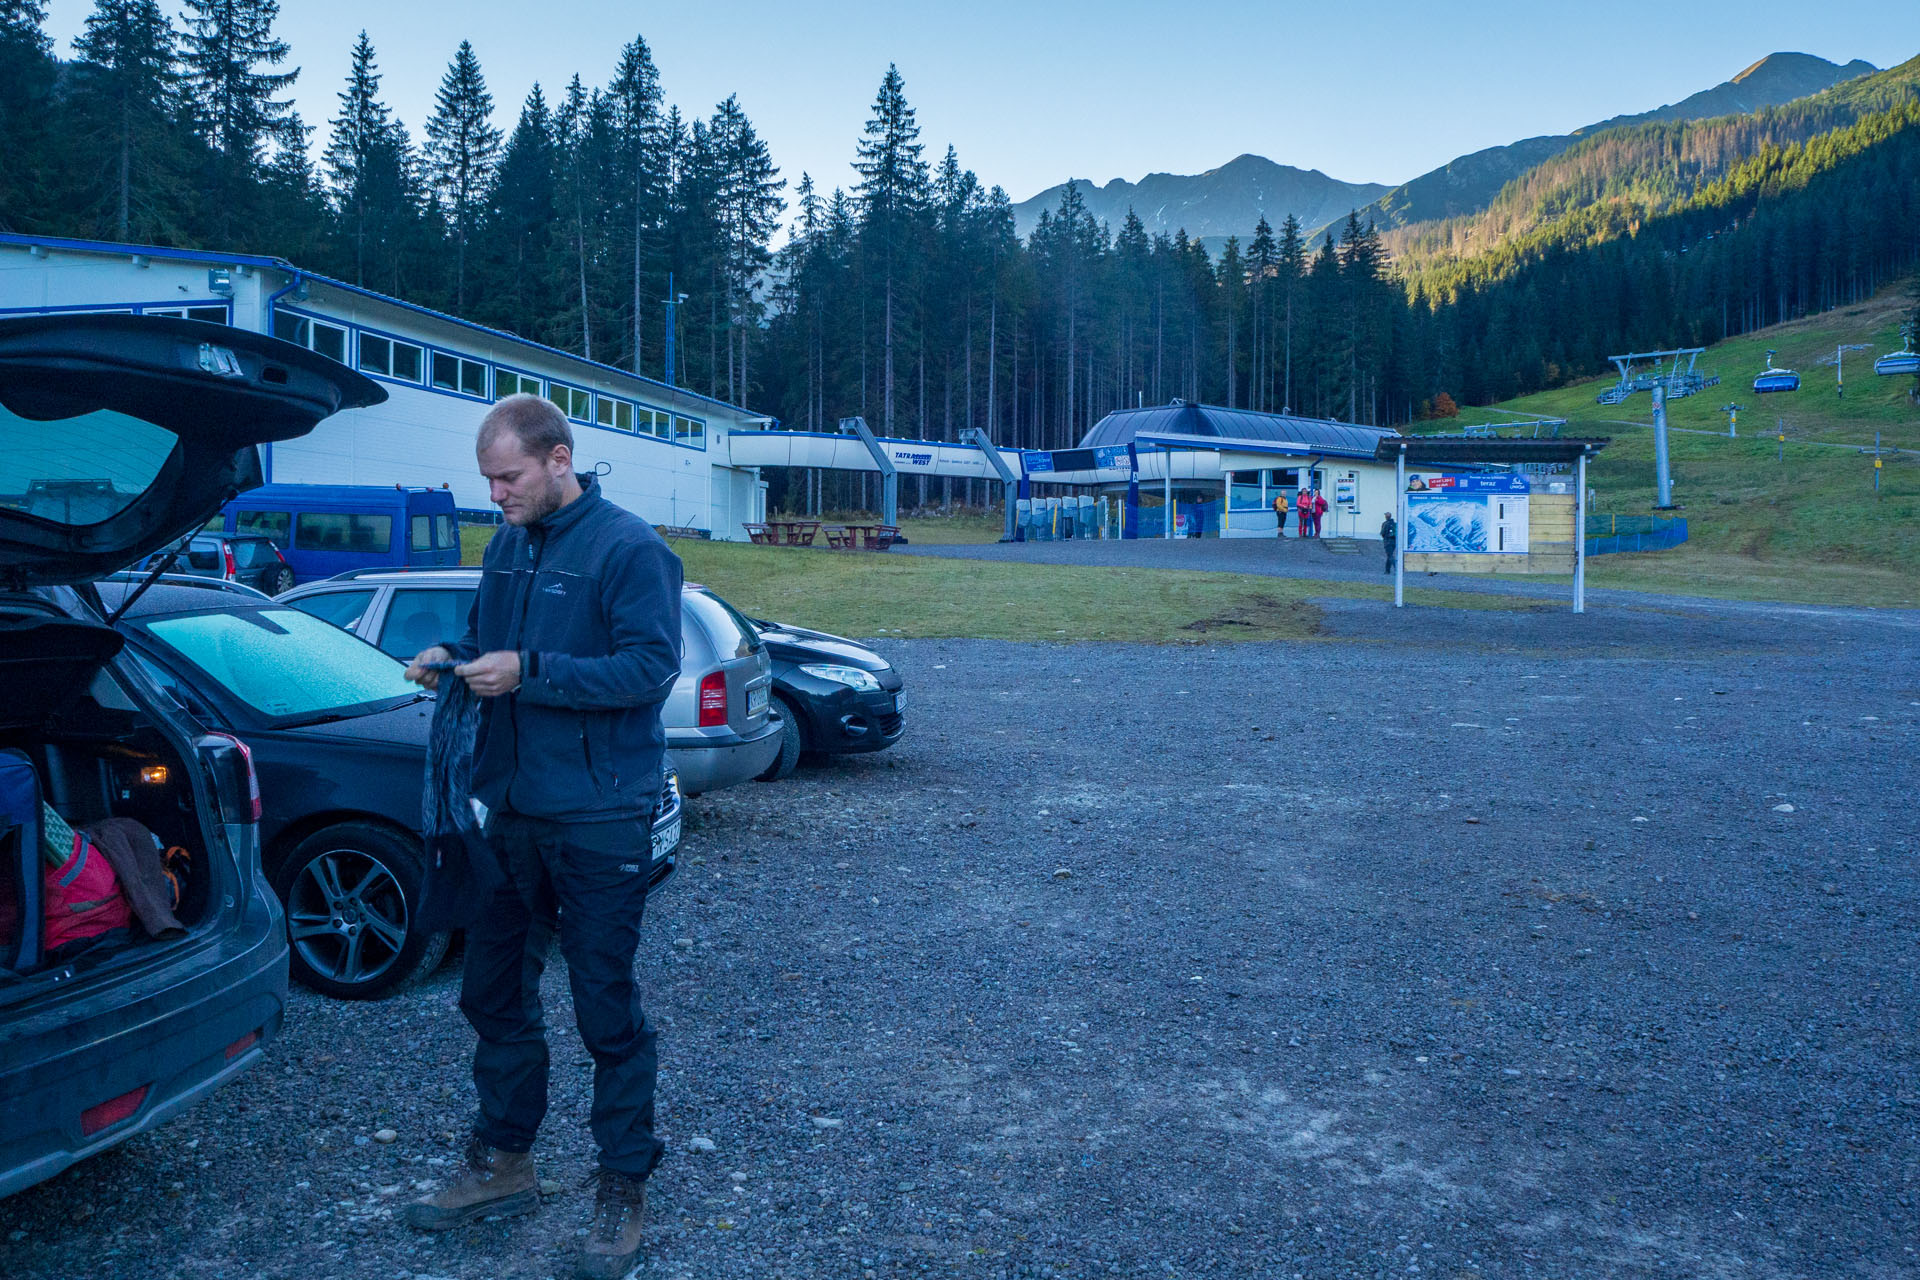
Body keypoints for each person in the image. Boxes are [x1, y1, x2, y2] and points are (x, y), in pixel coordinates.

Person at [402, 395, 683, 1280]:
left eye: (509, 477)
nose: (497, 495)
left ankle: (622, 1186)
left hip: (601, 817)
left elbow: (649, 669)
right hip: (512, 812)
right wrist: (454, 657)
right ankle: (505, 1161)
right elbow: (496, 642)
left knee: (606, 1008)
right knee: (490, 993)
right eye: (489, 479)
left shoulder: (631, 547)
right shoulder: (508, 544)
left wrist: (532, 673)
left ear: (559, 459)